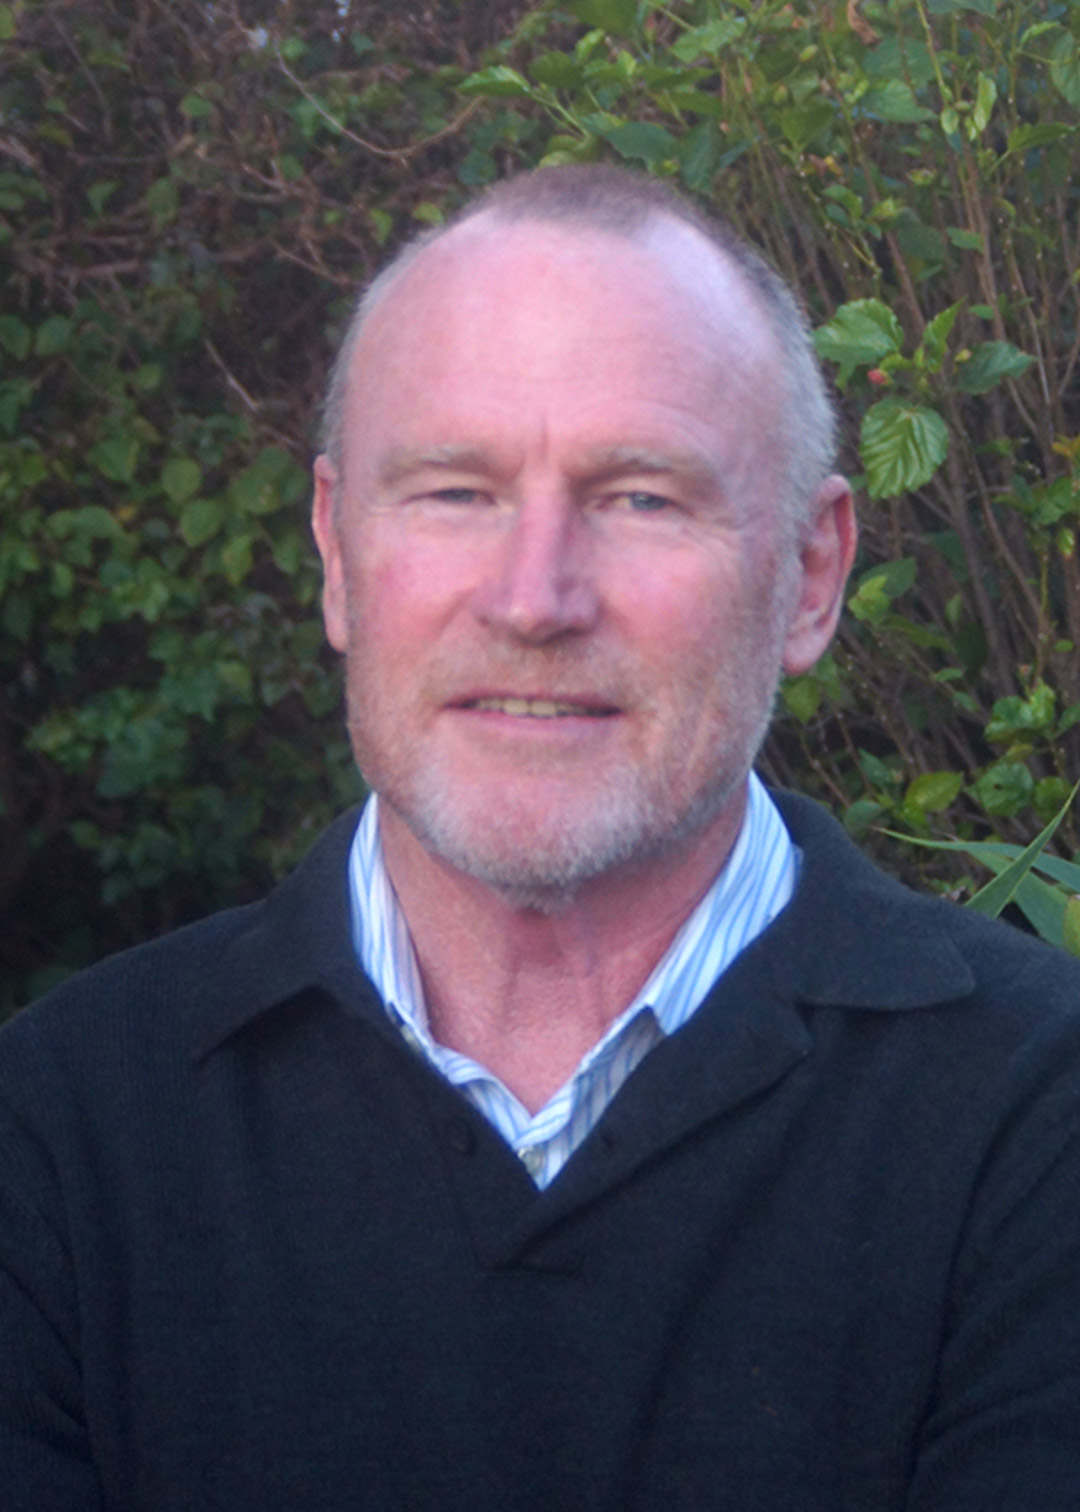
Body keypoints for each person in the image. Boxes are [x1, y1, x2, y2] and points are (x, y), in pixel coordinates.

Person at [2, 165, 1079, 1511]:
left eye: (641, 498)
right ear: (336, 553)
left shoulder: (1044, 1121)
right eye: (455, 491)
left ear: (810, 576)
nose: (533, 599)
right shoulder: (56, 1131)